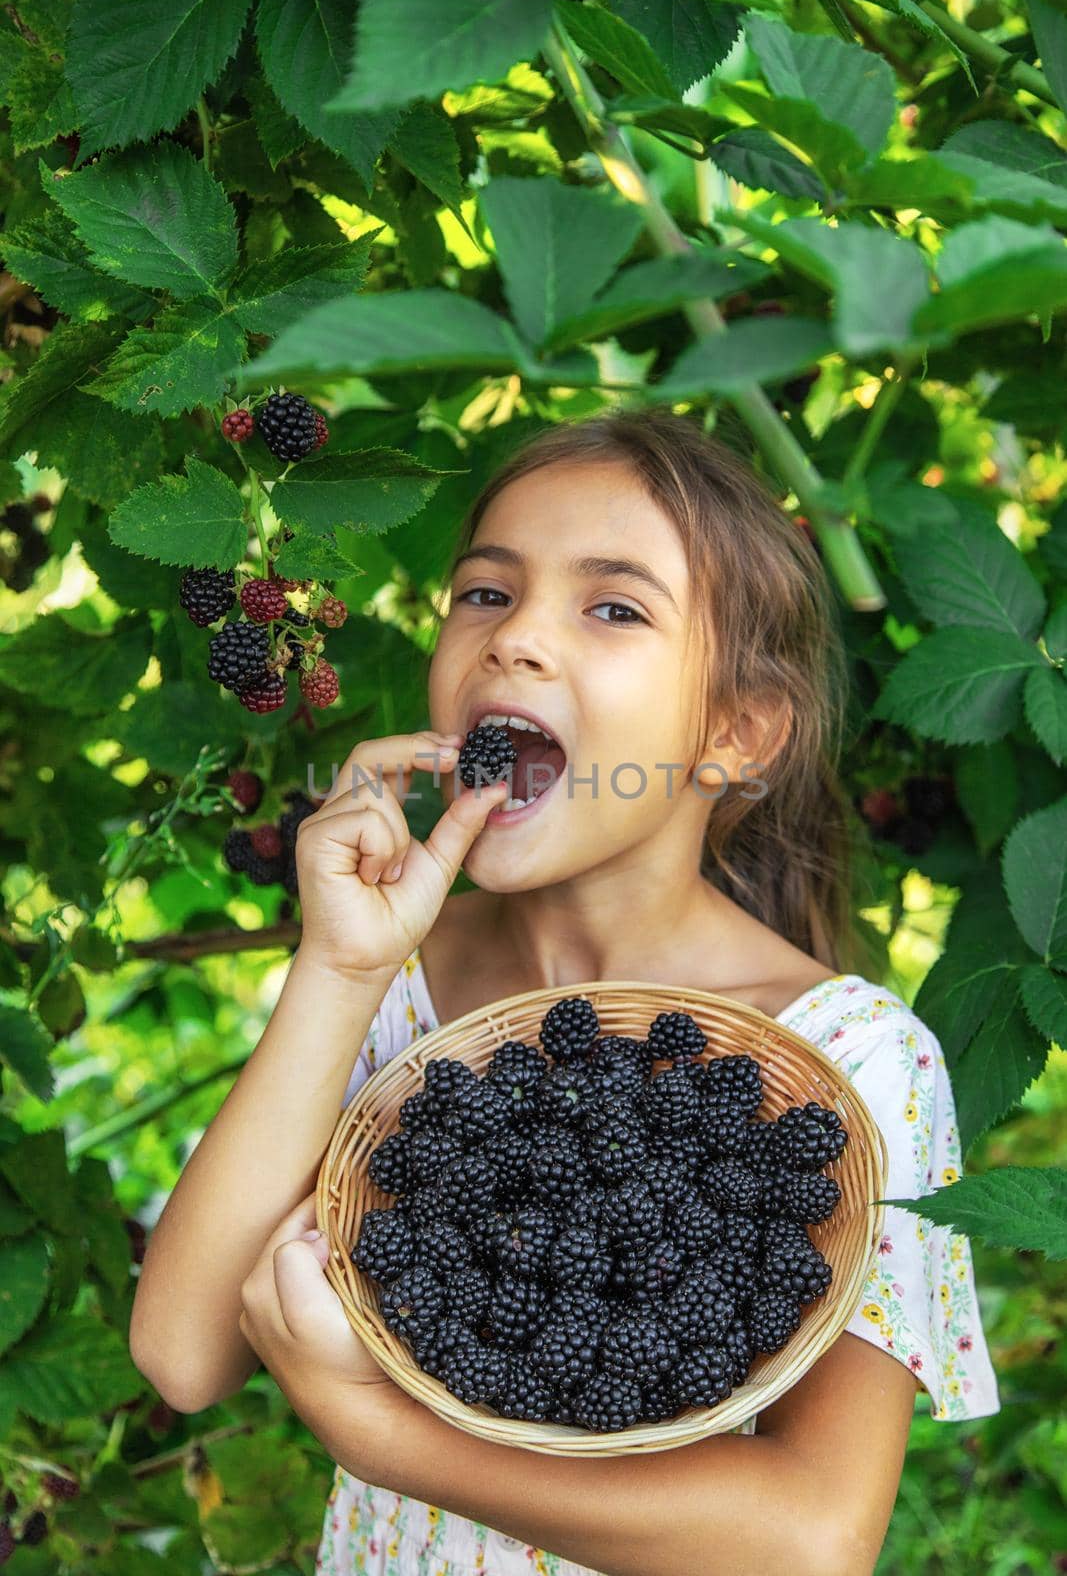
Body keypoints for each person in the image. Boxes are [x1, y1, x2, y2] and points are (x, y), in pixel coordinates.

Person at [130, 407, 1000, 1576]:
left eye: (612, 606)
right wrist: (338, 968)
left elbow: (813, 1537)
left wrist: (382, 1432)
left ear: (735, 732)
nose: (514, 639)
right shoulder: (393, 987)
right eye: (484, 593)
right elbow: (183, 1352)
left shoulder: (849, 1057)